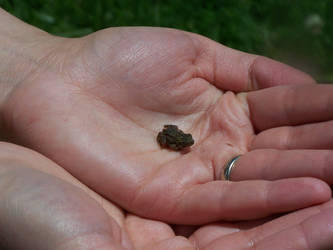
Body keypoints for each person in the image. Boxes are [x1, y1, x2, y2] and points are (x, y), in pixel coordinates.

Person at [0, 7, 332, 249]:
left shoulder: (183, 140)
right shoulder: (174, 139)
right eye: (185, 143)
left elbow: (178, 138)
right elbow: (170, 137)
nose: (188, 144)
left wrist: (30, 67)